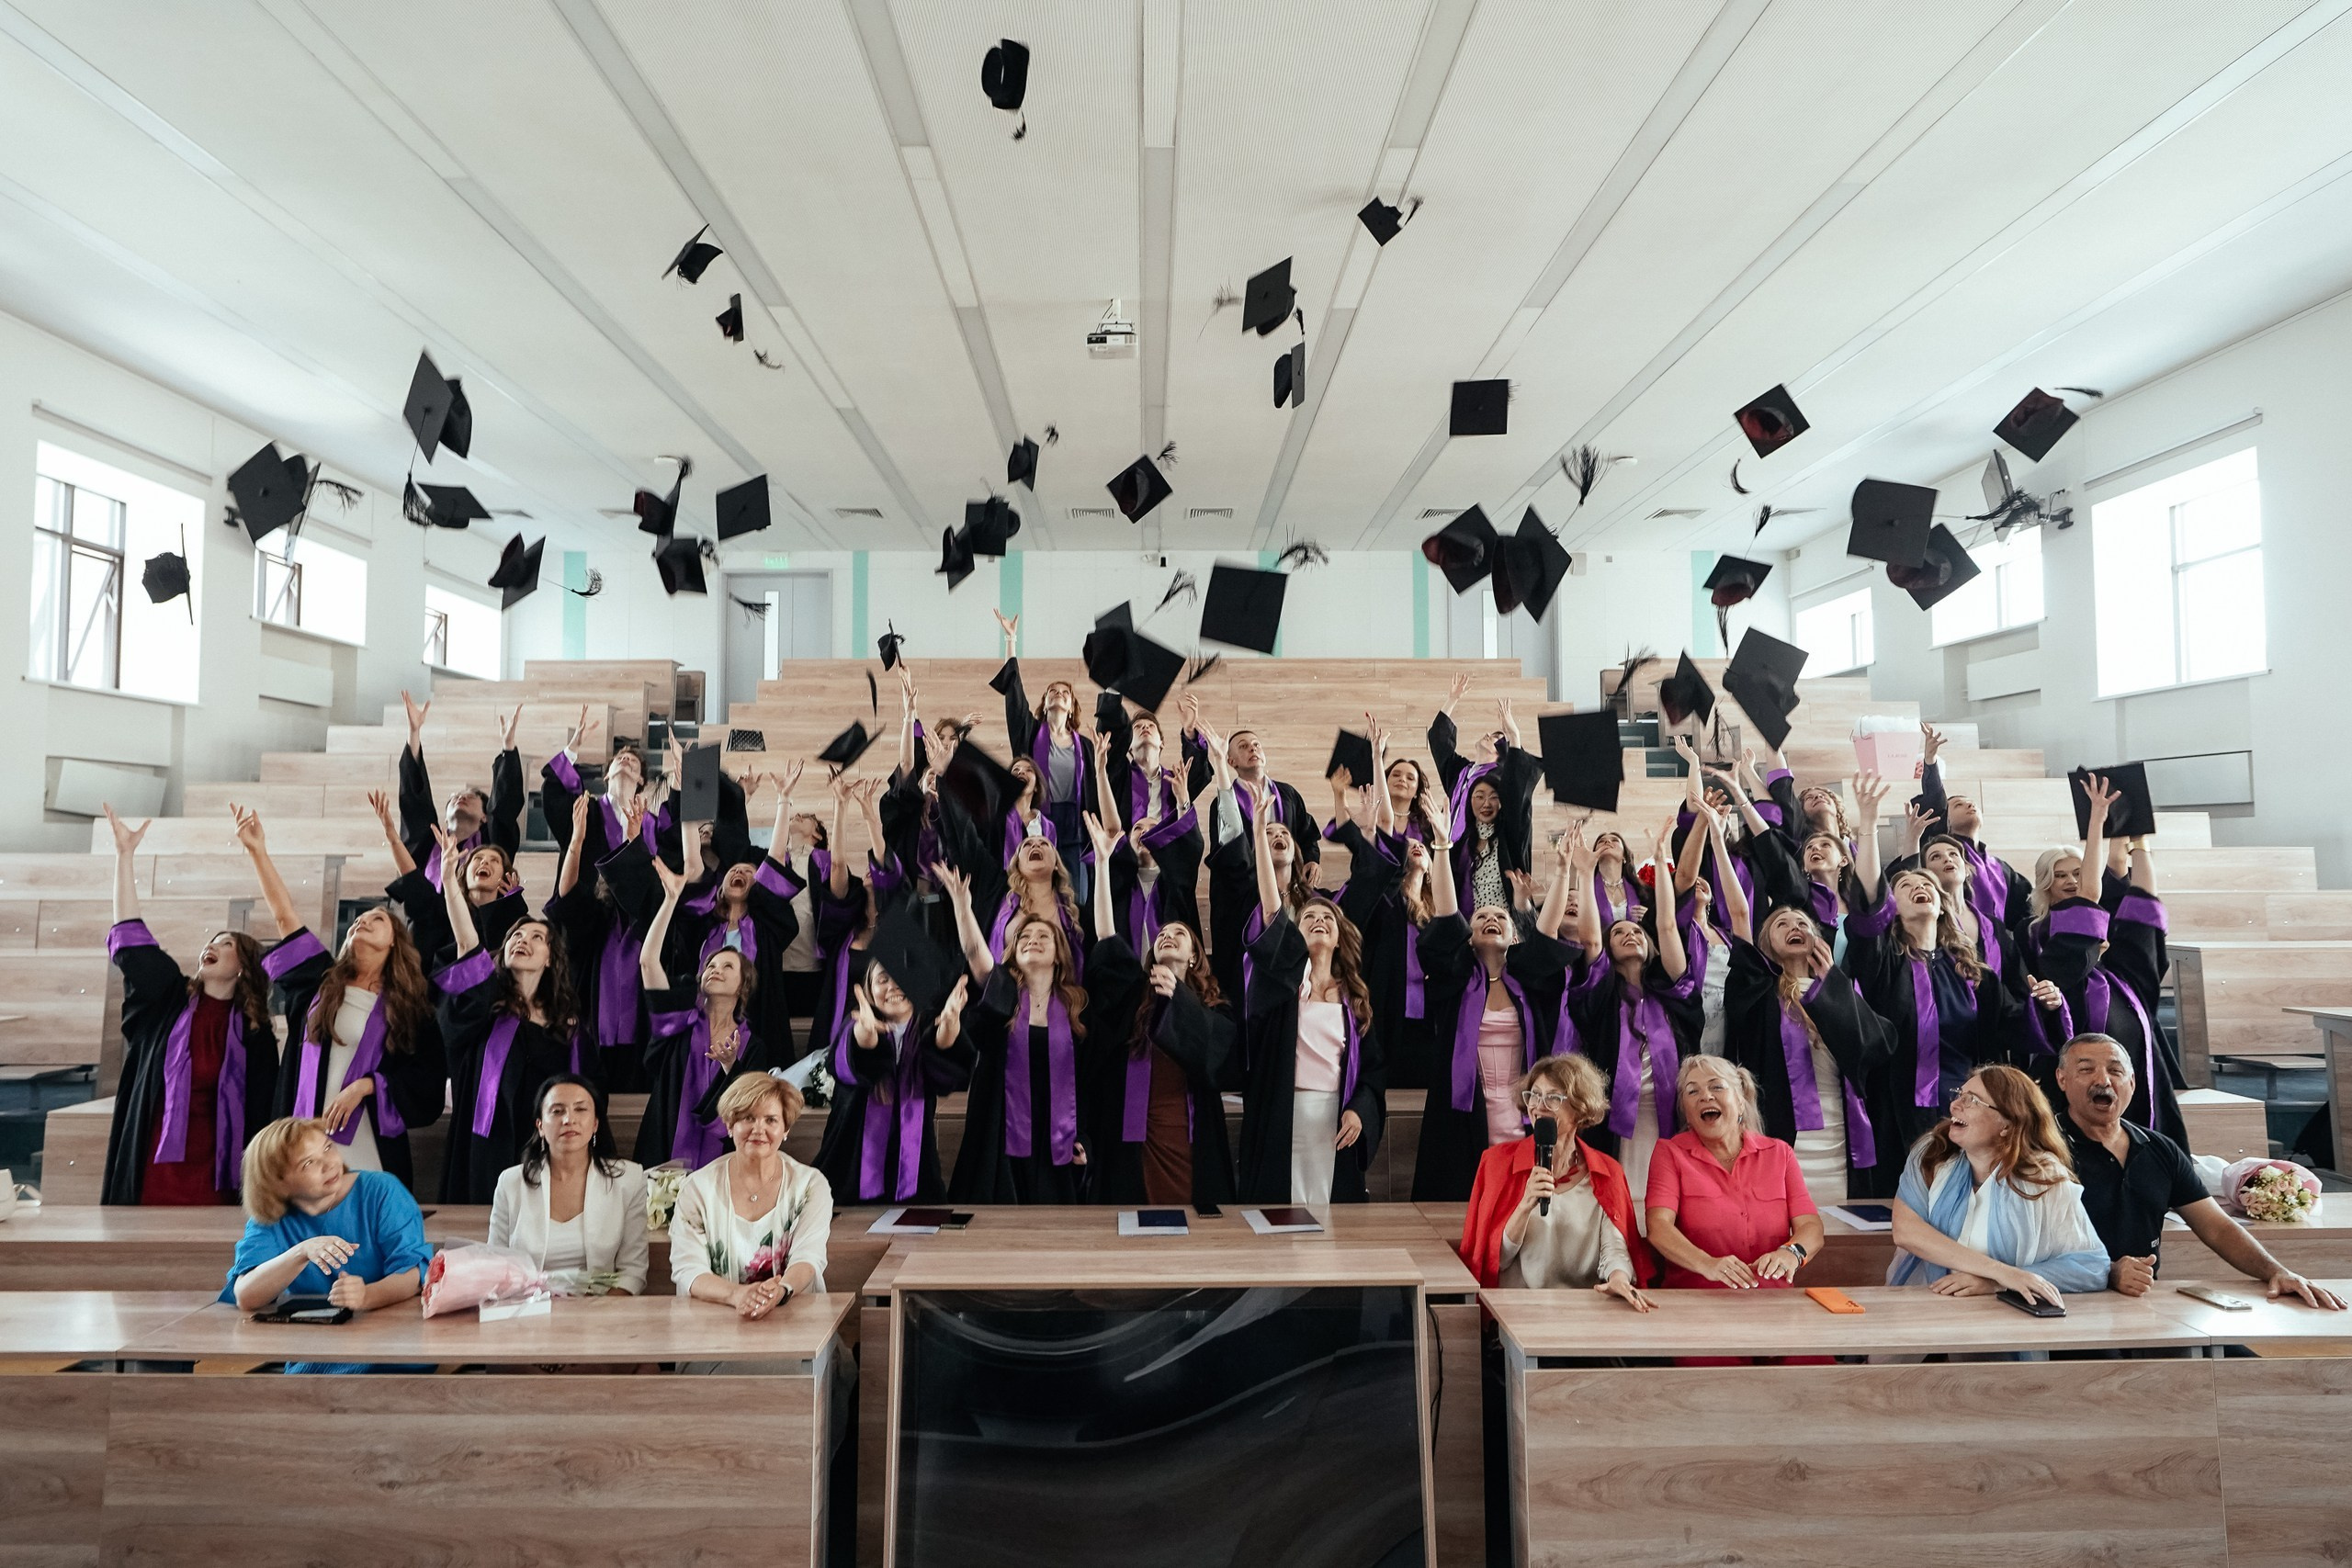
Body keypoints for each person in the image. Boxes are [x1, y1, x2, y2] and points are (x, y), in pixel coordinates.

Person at [2052, 1034, 2342, 1309]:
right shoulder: (2040, 1149)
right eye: (2086, 1070)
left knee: (2235, 1359)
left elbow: (2217, 1228)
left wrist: (2277, 1272)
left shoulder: (2159, 1149)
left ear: (2133, 1081)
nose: (2103, 1080)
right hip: (2069, 1300)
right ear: (2062, 1079)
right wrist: (2107, 1271)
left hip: (2144, 1301)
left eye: (2115, 1070)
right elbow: (2028, 1248)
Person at [1843, 776, 2036, 1187]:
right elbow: (1865, 911)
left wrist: (2046, 1004)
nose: (1919, 887)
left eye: (1925, 884)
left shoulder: (1970, 970)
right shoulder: (1884, 962)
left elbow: (2011, 1023)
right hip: (1896, 1108)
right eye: (1907, 885)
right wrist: (1868, 824)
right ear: (1891, 910)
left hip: (1969, 1112)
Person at [243, 808, 445, 1192]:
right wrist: (258, 851)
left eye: (377, 920)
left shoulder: (409, 1008)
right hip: (305, 1134)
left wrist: (367, 1086)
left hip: (370, 1140)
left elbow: (427, 1083)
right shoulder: (320, 983)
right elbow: (285, 918)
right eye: (357, 921)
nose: (361, 922)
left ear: (395, 943)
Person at [99, 805, 277, 1205]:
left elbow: (265, 1117)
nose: (211, 946)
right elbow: (131, 941)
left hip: (220, 1173)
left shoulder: (256, 1037)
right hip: (152, 1165)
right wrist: (124, 857)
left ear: (244, 969)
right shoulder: (169, 1001)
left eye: (226, 943)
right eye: (210, 941)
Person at [1411, 821, 1576, 1201]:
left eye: (1499, 918)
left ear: (1514, 937)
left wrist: (1565, 870)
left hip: (1524, 1108)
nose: (1490, 920)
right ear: (1469, 937)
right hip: (1464, 1109)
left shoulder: (1525, 982)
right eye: (1481, 917)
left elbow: (1546, 933)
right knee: (1466, 1197)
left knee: (1522, 1197)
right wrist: (1441, 847)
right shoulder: (1458, 981)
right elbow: (1447, 916)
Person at [1236, 790, 1383, 1205]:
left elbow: (1372, 1071)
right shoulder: (1283, 984)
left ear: (1339, 939)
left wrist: (1360, 1110)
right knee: (1282, 1217)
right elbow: (1269, 908)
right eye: (1309, 918)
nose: (1318, 920)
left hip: (1334, 1118)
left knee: (1331, 1222)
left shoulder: (1354, 999)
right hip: (1284, 1112)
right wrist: (1260, 839)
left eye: (1327, 918)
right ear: (1294, 935)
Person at [1557, 820, 1702, 1222]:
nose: (1629, 934)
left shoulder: (1674, 995)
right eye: (1617, 931)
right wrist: (1584, 874)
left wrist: (1660, 862)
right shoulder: (1601, 998)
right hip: (1615, 1130)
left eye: (1636, 930)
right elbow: (1589, 940)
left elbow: (1669, 925)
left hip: (1671, 1123)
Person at [432, 829, 583, 1204]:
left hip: (546, 1152)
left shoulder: (565, 1028)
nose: (522, 940)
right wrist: (451, 882)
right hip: (487, 1153)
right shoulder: (487, 1011)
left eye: (536, 937)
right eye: (517, 935)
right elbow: (468, 946)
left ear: (550, 958)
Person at [2027, 775, 2184, 1141]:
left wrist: (2137, 836)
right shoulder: (2039, 929)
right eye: (2059, 875)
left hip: (2119, 997)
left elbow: (2132, 888)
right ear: (2045, 883)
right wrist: (2097, 819)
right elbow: (2090, 893)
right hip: (2072, 999)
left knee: (2140, 917)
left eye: (2075, 872)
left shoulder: (2119, 961)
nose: (2069, 880)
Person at [1886, 1065, 2109, 1305]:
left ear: (2008, 1124)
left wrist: (1996, 1284)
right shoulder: (1932, 1154)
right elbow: (1906, 1232)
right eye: (1960, 1095)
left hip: (2005, 1320)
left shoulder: (2045, 1177)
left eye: (1972, 1100)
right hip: (1927, 1306)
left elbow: (2092, 1266)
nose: (1954, 1106)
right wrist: (2001, 1272)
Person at [224, 1117, 431, 1373]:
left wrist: (367, 1295)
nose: (329, 1164)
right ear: (278, 1183)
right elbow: (246, 1296)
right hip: (317, 1346)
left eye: (328, 1147)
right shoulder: (270, 1219)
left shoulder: (382, 1190)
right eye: (309, 1162)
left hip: (394, 1340)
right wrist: (302, 1251)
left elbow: (413, 1274)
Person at [1724, 905, 1895, 1203]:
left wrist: (1832, 978)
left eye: (1803, 924)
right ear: (1767, 945)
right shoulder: (1760, 994)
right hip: (1781, 1130)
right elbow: (1739, 914)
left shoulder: (1841, 988)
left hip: (1841, 1130)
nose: (1795, 928)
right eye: (1783, 924)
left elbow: (1876, 1045)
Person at [942, 864, 1093, 1203]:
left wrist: (1084, 1136)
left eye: (1043, 937)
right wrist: (962, 907)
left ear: (1059, 956)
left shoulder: (1076, 1008)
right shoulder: (1004, 994)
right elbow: (976, 956)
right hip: (1002, 1131)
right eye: (1024, 938)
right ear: (1013, 953)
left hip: (1056, 1136)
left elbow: (1086, 1082)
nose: (1033, 941)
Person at [1456, 1054, 1653, 1305]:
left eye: (1553, 1098)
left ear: (1580, 1109)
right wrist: (1525, 1205)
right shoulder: (1496, 1163)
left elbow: (1614, 1248)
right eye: (1534, 1095)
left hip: (1586, 1306)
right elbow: (1496, 1261)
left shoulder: (1607, 1171)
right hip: (1519, 1308)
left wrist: (1618, 1278)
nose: (1539, 1105)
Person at [633, 845, 786, 1168]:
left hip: (726, 1159)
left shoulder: (752, 1045)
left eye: (728, 967)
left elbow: (748, 1111)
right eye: (712, 965)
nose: (715, 969)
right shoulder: (679, 1021)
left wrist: (732, 1068)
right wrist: (671, 899)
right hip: (664, 1141)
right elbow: (648, 962)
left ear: (743, 986)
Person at [1183, 694, 1321, 1010]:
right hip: (1240, 899)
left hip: (1288, 893)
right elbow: (1228, 849)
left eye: (1256, 744)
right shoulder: (1224, 801)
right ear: (1230, 761)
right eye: (1243, 746)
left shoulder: (1286, 794)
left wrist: (1312, 857)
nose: (1252, 749)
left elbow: (1307, 833)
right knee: (1239, 979)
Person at [1645, 1056, 1825, 1290]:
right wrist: (1707, 1264)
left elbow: (1811, 1227)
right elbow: (1658, 1227)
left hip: (1773, 1303)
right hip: (1695, 1303)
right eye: (1692, 1092)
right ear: (1687, 1114)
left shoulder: (1780, 1153)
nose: (1705, 1096)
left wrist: (1792, 1253)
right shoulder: (1669, 1153)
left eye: (1716, 1086)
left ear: (1741, 1102)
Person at [669, 1073, 832, 1314]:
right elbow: (688, 1269)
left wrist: (779, 1291)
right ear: (729, 1126)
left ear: (785, 1129)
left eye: (771, 1120)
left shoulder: (810, 1185)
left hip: (793, 1313)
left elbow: (809, 1257)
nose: (759, 1129)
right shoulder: (697, 1188)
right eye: (748, 1118)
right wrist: (737, 1295)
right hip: (715, 1320)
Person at [820, 956, 975, 1208]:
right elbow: (853, 1061)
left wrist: (950, 1024)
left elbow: (946, 1067)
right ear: (869, 991)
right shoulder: (855, 1024)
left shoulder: (928, 1027)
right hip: (852, 1162)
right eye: (882, 979)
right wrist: (866, 1035)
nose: (892, 986)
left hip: (914, 1167)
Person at [489, 1075, 650, 1295]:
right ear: (540, 1126)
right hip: (526, 1312)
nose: (568, 1119)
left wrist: (600, 1315)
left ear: (595, 1124)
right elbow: (496, 1266)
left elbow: (633, 1272)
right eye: (557, 1111)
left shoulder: (628, 1180)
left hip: (601, 1313)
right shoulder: (511, 1183)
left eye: (580, 1110)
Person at [1428, 674, 1542, 917]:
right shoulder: (1463, 770)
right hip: (1452, 849)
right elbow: (1439, 742)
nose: (1490, 736)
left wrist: (1514, 738)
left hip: (1490, 851)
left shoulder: (1501, 779)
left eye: (1497, 738)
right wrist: (1452, 699)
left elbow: (1519, 793)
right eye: (1492, 733)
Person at [395, 689, 522, 893]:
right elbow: (414, 802)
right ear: (445, 818)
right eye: (453, 798)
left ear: (484, 817)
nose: (460, 797)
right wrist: (414, 733)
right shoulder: (428, 844)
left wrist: (508, 747)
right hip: (430, 923)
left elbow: (504, 807)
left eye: (470, 797)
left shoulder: (493, 844)